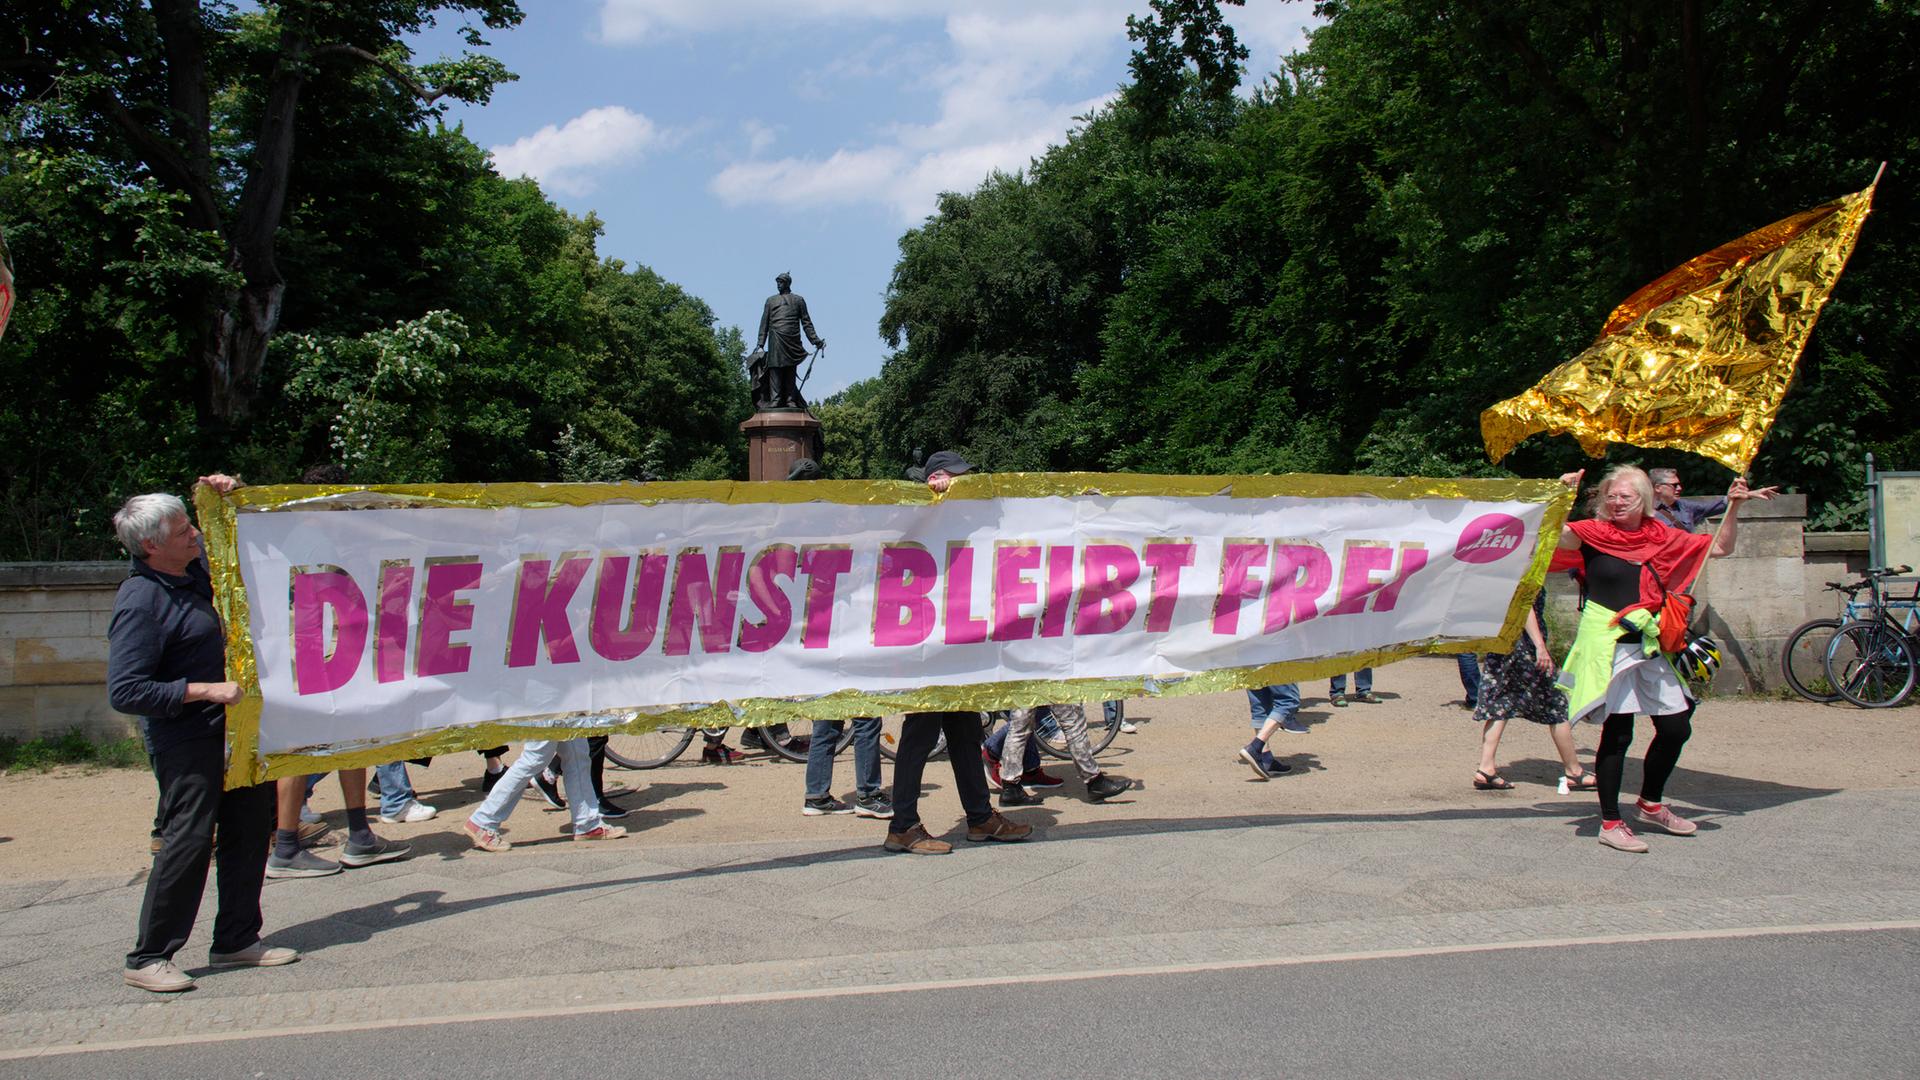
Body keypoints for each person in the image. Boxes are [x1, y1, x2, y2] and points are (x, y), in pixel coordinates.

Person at [110, 478, 298, 993]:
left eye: (191, 524)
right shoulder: (141, 601)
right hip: (188, 739)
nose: (193, 534)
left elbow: (241, 537)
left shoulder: (198, 574)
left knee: (248, 831)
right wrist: (203, 691)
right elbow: (126, 690)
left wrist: (226, 492)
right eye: (182, 529)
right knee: (189, 842)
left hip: (237, 734)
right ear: (151, 546)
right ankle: (149, 955)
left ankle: (237, 939)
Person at [1552, 465, 1769, 852]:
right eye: (1611, 496)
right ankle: (1611, 821)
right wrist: (1562, 496)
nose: (1617, 502)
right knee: (1618, 735)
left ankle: (1650, 804)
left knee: (1676, 726)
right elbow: (1555, 534)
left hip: (1649, 644)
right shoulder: (1593, 533)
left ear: (1645, 500)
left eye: (1626, 496)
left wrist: (1732, 507)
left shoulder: (1663, 536)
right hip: (1609, 645)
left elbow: (1720, 547)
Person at [884, 450, 1031, 854]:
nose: (963, 484)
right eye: (955, 477)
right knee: (919, 734)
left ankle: (980, 817)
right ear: (935, 479)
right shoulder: (922, 513)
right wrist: (932, 493)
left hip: (960, 645)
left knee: (966, 733)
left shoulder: (968, 520)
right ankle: (903, 825)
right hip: (928, 647)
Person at [1468, 591, 1591, 792]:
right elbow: (1523, 605)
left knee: (1502, 702)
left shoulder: (1505, 567)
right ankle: (1574, 771)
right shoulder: (1526, 566)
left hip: (1503, 642)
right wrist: (1540, 647)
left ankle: (1486, 768)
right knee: (1555, 704)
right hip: (1523, 646)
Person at [463, 736, 627, 852]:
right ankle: (483, 820)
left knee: (577, 754)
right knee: (535, 758)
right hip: (550, 697)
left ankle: (587, 823)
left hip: (565, 697)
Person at [995, 704, 1130, 806]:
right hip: (1052, 673)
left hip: (1025, 674)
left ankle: (1010, 787)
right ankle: (1095, 781)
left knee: (1019, 726)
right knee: (1073, 722)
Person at [754, 271, 825, 409]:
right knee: (775, 368)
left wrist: (815, 340)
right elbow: (764, 323)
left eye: (780, 282)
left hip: (792, 340)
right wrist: (760, 343)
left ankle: (790, 400)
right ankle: (776, 399)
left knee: (790, 369)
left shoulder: (798, 300)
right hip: (775, 339)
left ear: (787, 283)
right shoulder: (770, 301)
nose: (778, 285)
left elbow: (806, 323)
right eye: (777, 282)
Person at [1648, 467, 1777, 533]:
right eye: (1674, 485)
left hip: (1684, 571)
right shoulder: (1643, 511)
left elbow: (1721, 504)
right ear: (1658, 487)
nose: (1679, 488)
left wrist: (1750, 494)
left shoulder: (1685, 507)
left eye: (1679, 484)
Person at [1240, 683, 1303, 779]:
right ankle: (1255, 747)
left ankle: (1266, 759)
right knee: (1289, 701)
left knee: (1260, 704)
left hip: (1250, 667)